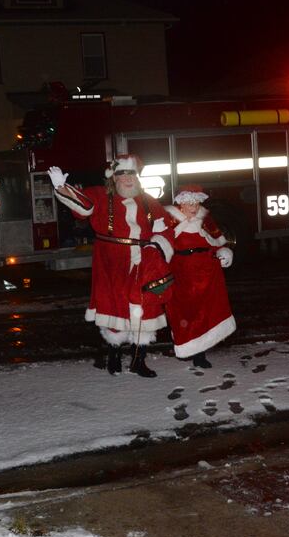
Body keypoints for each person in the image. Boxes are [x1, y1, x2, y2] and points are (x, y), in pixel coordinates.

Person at [48, 154, 174, 378]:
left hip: (144, 263)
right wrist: (62, 187)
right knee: (114, 307)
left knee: (145, 308)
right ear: (113, 178)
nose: (127, 179)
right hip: (111, 262)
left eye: (131, 174)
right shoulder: (100, 195)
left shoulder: (148, 201)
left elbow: (165, 228)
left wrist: (157, 246)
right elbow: (83, 208)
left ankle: (138, 360)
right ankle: (113, 357)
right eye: (121, 174)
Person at [163, 185, 236, 368]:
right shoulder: (170, 221)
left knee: (205, 312)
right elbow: (162, 245)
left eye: (196, 203)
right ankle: (188, 346)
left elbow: (216, 242)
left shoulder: (205, 220)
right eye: (189, 203)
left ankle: (200, 354)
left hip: (206, 273)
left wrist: (223, 251)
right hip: (182, 275)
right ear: (181, 204)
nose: (193, 207)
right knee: (185, 313)